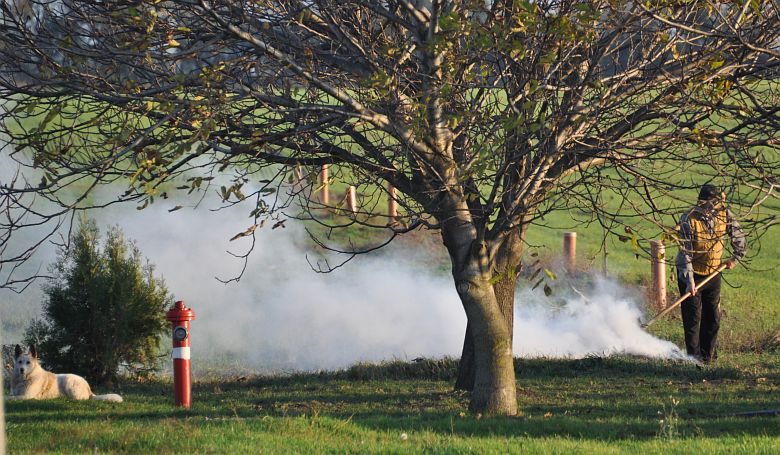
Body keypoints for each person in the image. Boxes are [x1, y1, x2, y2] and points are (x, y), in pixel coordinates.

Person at [675, 184, 746, 363]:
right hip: (691, 273)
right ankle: (694, 358)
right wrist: (689, 282)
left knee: (713, 317)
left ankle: (708, 356)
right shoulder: (688, 219)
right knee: (693, 319)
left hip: (714, 272)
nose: (717, 207)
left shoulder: (725, 214)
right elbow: (685, 253)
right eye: (714, 204)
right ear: (704, 203)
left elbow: (739, 238)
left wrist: (735, 258)